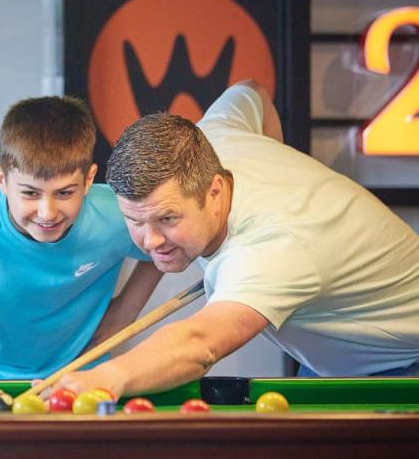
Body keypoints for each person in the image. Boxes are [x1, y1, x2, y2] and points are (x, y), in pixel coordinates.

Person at [52, 80, 419, 399]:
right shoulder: (213, 137)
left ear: (214, 192)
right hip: (341, 365)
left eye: (167, 218)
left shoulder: (271, 248)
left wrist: (105, 378)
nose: (150, 241)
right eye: (134, 220)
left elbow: (200, 344)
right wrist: (284, 160)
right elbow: (251, 89)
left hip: (405, 363)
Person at [0, 96, 163, 380]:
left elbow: (164, 245)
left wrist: (124, 312)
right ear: (0, 178)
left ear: (88, 180)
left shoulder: (115, 212)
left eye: (64, 193)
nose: (47, 213)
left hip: (72, 378)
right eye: (30, 193)